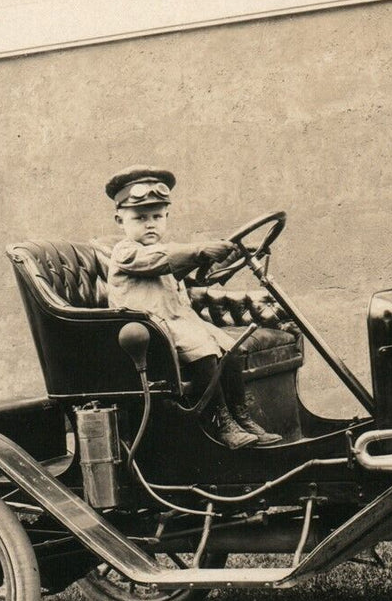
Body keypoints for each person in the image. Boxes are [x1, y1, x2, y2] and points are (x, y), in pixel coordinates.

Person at [105, 165, 282, 449]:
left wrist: (234, 253)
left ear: (166, 217)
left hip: (180, 320)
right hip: (150, 327)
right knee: (202, 347)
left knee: (230, 348)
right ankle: (219, 421)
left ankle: (241, 417)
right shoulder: (126, 252)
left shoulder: (167, 251)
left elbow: (197, 275)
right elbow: (161, 259)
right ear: (119, 220)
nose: (150, 224)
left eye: (157, 217)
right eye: (139, 218)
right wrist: (201, 249)